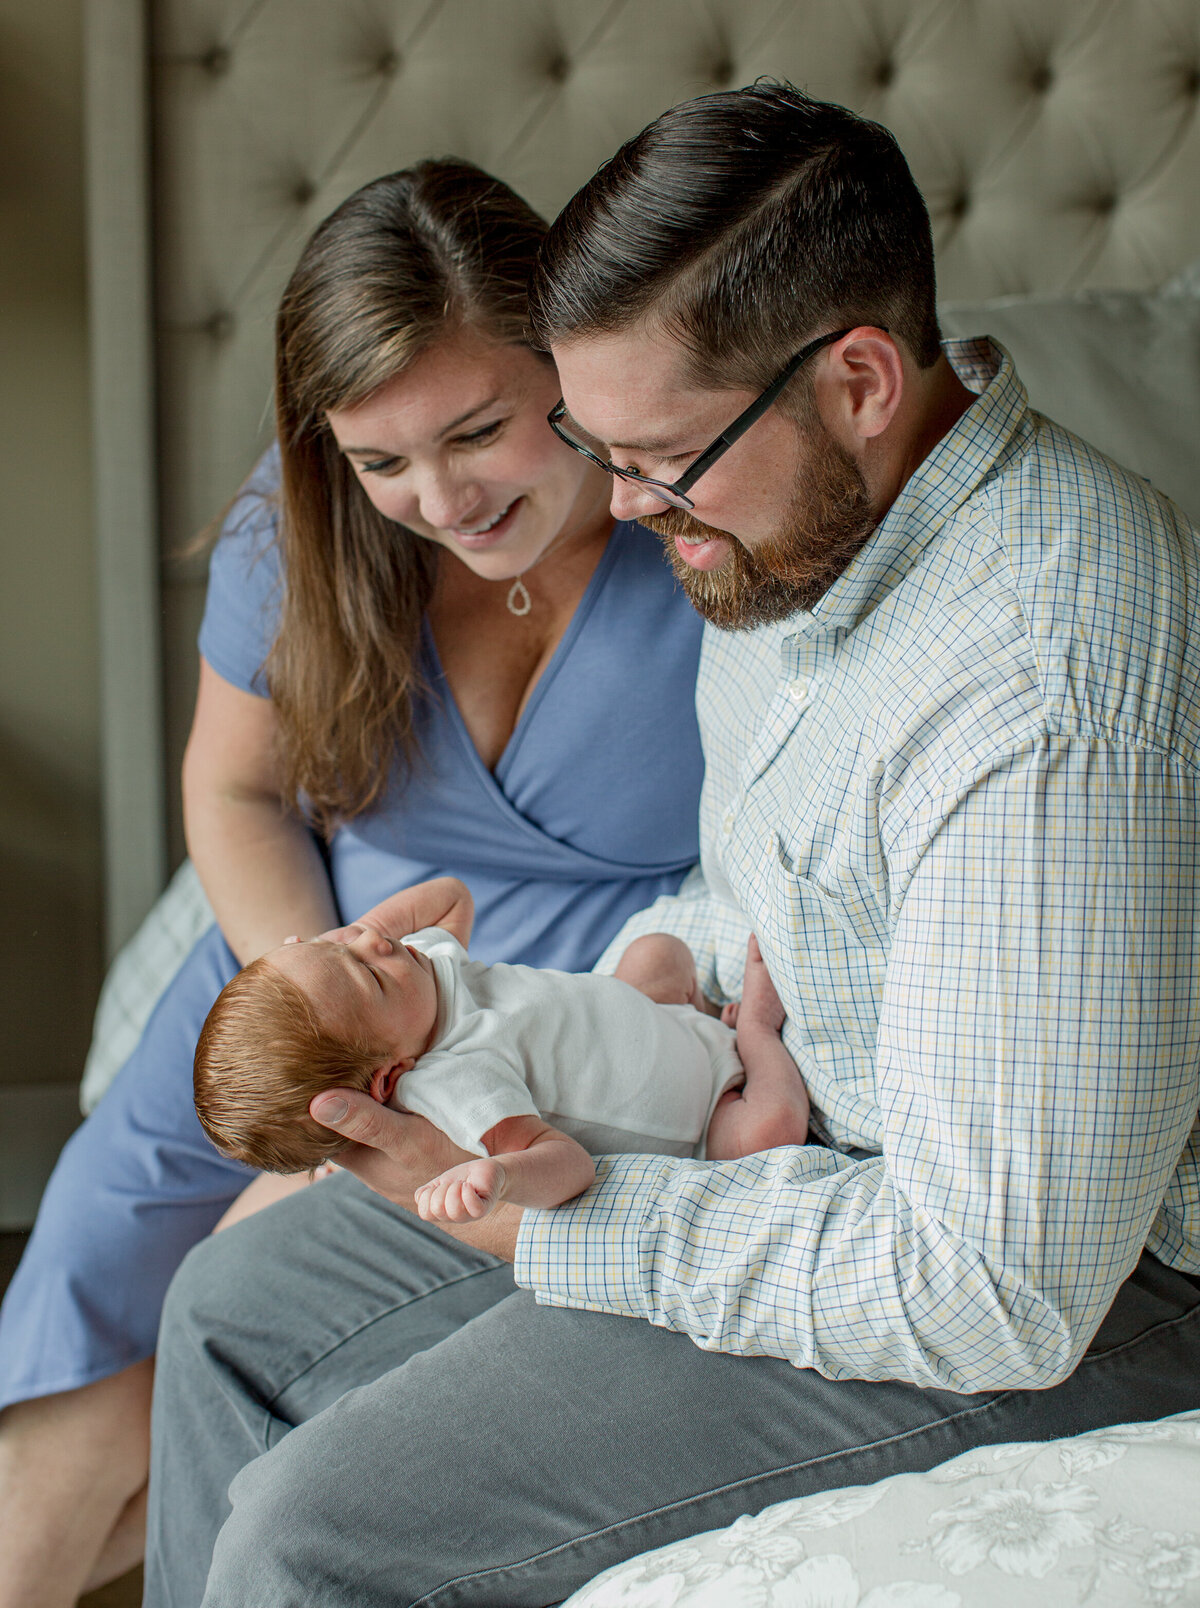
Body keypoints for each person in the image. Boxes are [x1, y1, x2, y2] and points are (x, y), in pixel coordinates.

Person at [144, 82, 1200, 1608]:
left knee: (315, 1537)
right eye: (598, 445)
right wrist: (657, 966)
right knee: (231, 1307)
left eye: (667, 459)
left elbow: (996, 1293)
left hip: (1071, 1278)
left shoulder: (1045, 692)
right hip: (762, 1110)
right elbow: (777, 869)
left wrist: (569, 1229)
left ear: (856, 379)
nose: (627, 510)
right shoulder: (790, 540)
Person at [0, 161, 707, 1608]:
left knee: (232, 1352)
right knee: (71, 1405)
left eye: (480, 431)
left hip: (517, 1035)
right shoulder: (305, 525)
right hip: (292, 971)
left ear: (565, 361)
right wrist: (311, 996)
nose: (440, 500)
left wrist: (390, 1092)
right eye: (383, 462)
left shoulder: (705, 521)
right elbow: (236, 790)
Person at [192, 876, 809, 1197]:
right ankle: (755, 1032)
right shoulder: (457, 1081)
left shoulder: (419, 972)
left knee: (656, 952)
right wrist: (502, 1178)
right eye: (367, 974)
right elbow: (566, 1165)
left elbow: (450, 897)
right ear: (389, 1078)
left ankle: (703, 1014)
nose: (374, 942)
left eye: (337, 939)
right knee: (769, 1132)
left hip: (651, 1019)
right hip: (697, 1118)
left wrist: (360, 944)